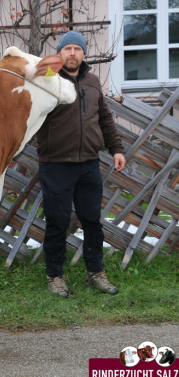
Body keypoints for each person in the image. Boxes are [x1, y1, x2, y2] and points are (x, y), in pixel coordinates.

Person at [35, 31, 126, 298]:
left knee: (92, 220)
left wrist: (117, 149)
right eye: (67, 49)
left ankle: (95, 273)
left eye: (77, 48)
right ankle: (55, 276)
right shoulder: (48, 81)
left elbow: (105, 119)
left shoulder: (93, 81)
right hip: (55, 163)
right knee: (57, 221)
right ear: (59, 53)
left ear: (83, 54)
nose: (72, 53)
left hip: (88, 162)